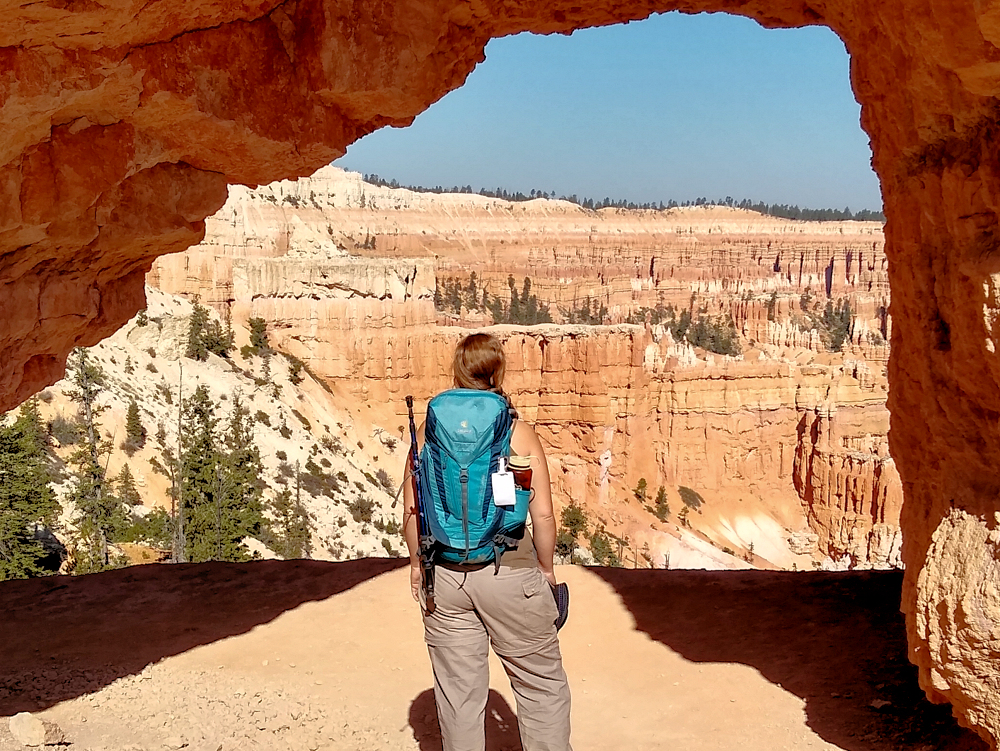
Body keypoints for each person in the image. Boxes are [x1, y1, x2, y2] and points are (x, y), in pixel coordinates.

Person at [403, 332, 573, 751]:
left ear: (457, 371)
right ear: (498, 371)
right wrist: (547, 569)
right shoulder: (517, 433)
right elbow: (543, 513)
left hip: (444, 574)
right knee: (540, 685)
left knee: (459, 697)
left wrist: (415, 566)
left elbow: (412, 509)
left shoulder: (429, 431)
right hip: (510, 569)